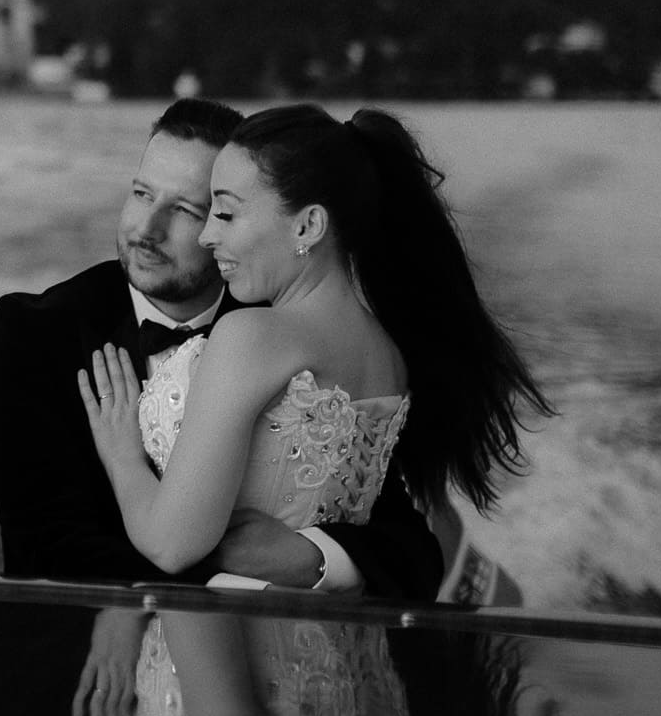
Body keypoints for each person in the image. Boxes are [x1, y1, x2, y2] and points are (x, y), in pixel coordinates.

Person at [0, 99, 443, 597]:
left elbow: (407, 546)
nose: (146, 229)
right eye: (141, 193)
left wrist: (310, 559)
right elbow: (41, 544)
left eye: (192, 210)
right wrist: (240, 581)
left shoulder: (283, 332)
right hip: (85, 651)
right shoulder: (33, 331)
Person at [77, 103, 548, 584]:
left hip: (225, 635)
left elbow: (170, 545)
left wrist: (121, 456)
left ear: (307, 226)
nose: (208, 234)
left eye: (224, 212)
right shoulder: (388, 354)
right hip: (330, 642)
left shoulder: (251, 336)